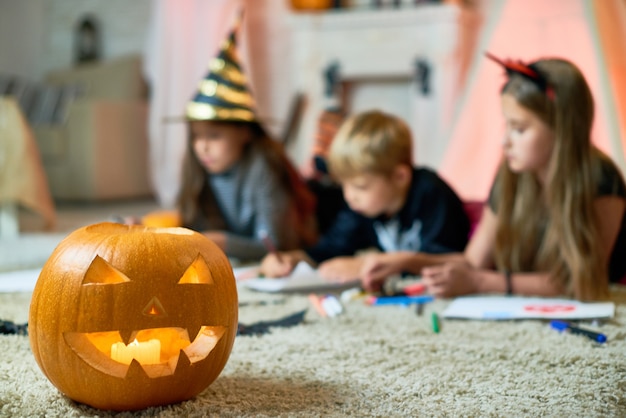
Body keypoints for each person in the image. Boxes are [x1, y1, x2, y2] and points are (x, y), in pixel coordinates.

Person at [415, 55, 626, 301]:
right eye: (506, 125)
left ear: (562, 128)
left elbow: (581, 282)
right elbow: (474, 260)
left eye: (519, 129)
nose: (504, 141)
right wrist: (406, 262)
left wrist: (480, 282)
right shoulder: (511, 173)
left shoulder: (601, 178)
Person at [260, 110, 471, 291]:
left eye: (360, 186)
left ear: (400, 177)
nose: (349, 195)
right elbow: (329, 250)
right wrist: (293, 260)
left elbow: (459, 262)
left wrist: (375, 263)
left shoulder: (430, 194)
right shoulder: (361, 205)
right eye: (344, 185)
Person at [161, 25, 316, 261]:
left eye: (214, 136)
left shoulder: (264, 166)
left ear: (245, 133)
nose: (202, 146)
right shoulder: (198, 170)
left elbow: (276, 245)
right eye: (196, 136)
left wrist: (223, 242)